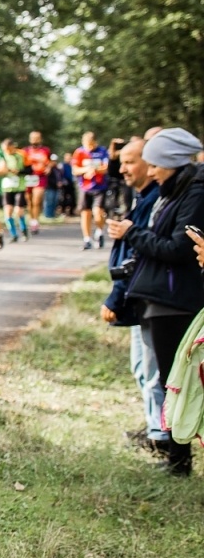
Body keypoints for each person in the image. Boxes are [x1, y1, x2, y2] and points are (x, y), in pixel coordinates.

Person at [115, 128, 204, 475]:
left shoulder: (193, 193)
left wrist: (132, 234)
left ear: (170, 162)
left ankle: (179, 460)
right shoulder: (173, 190)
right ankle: (175, 456)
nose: (150, 172)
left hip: (175, 300)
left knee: (174, 382)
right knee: (168, 380)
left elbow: (179, 248)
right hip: (158, 298)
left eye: (154, 165)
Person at [100, 138, 163, 455]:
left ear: (151, 165)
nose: (122, 168)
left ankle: (164, 440)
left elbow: (140, 255)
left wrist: (116, 296)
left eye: (130, 161)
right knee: (142, 368)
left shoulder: (156, 200)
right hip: (140, 295)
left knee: (154, 374)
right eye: (121, 161)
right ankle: (156, 430)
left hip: (152, 295)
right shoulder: (143, 197)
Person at [71, 131, 111, 250]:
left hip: (99, 186)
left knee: (98, 213)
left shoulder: (102, 151)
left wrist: (95, 169)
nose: (90, 147)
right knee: (85, 213)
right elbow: (75, 170)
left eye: (91, 144)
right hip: (84, 187)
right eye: (87, 144)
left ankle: (99, 231)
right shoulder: (79, 152)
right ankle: (87, 239)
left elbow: (105, 168)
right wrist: (86, 169)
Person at [0, 138, 30, 242]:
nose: (7, 151)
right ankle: (13, 234)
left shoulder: (22, 154)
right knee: (8, 212)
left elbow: (30, 169)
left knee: (19, 211)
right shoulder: (1, 156)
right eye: (5, 150)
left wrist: (19, 171)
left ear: (13, 147)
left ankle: (24, 230)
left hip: (19, 187)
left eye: (8, 149)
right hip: (7, 187)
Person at [23, 131, 53, 231]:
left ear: (40, 139)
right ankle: (32, 219)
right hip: (28, 177)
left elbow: (51, 161)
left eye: (37, 138)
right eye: (33, 137)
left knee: (37, 200)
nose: (35, 139)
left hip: (40, 177)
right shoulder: (25, 151)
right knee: (29, 201)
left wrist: (48, 167)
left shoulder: (45, 150)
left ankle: (36, 220)